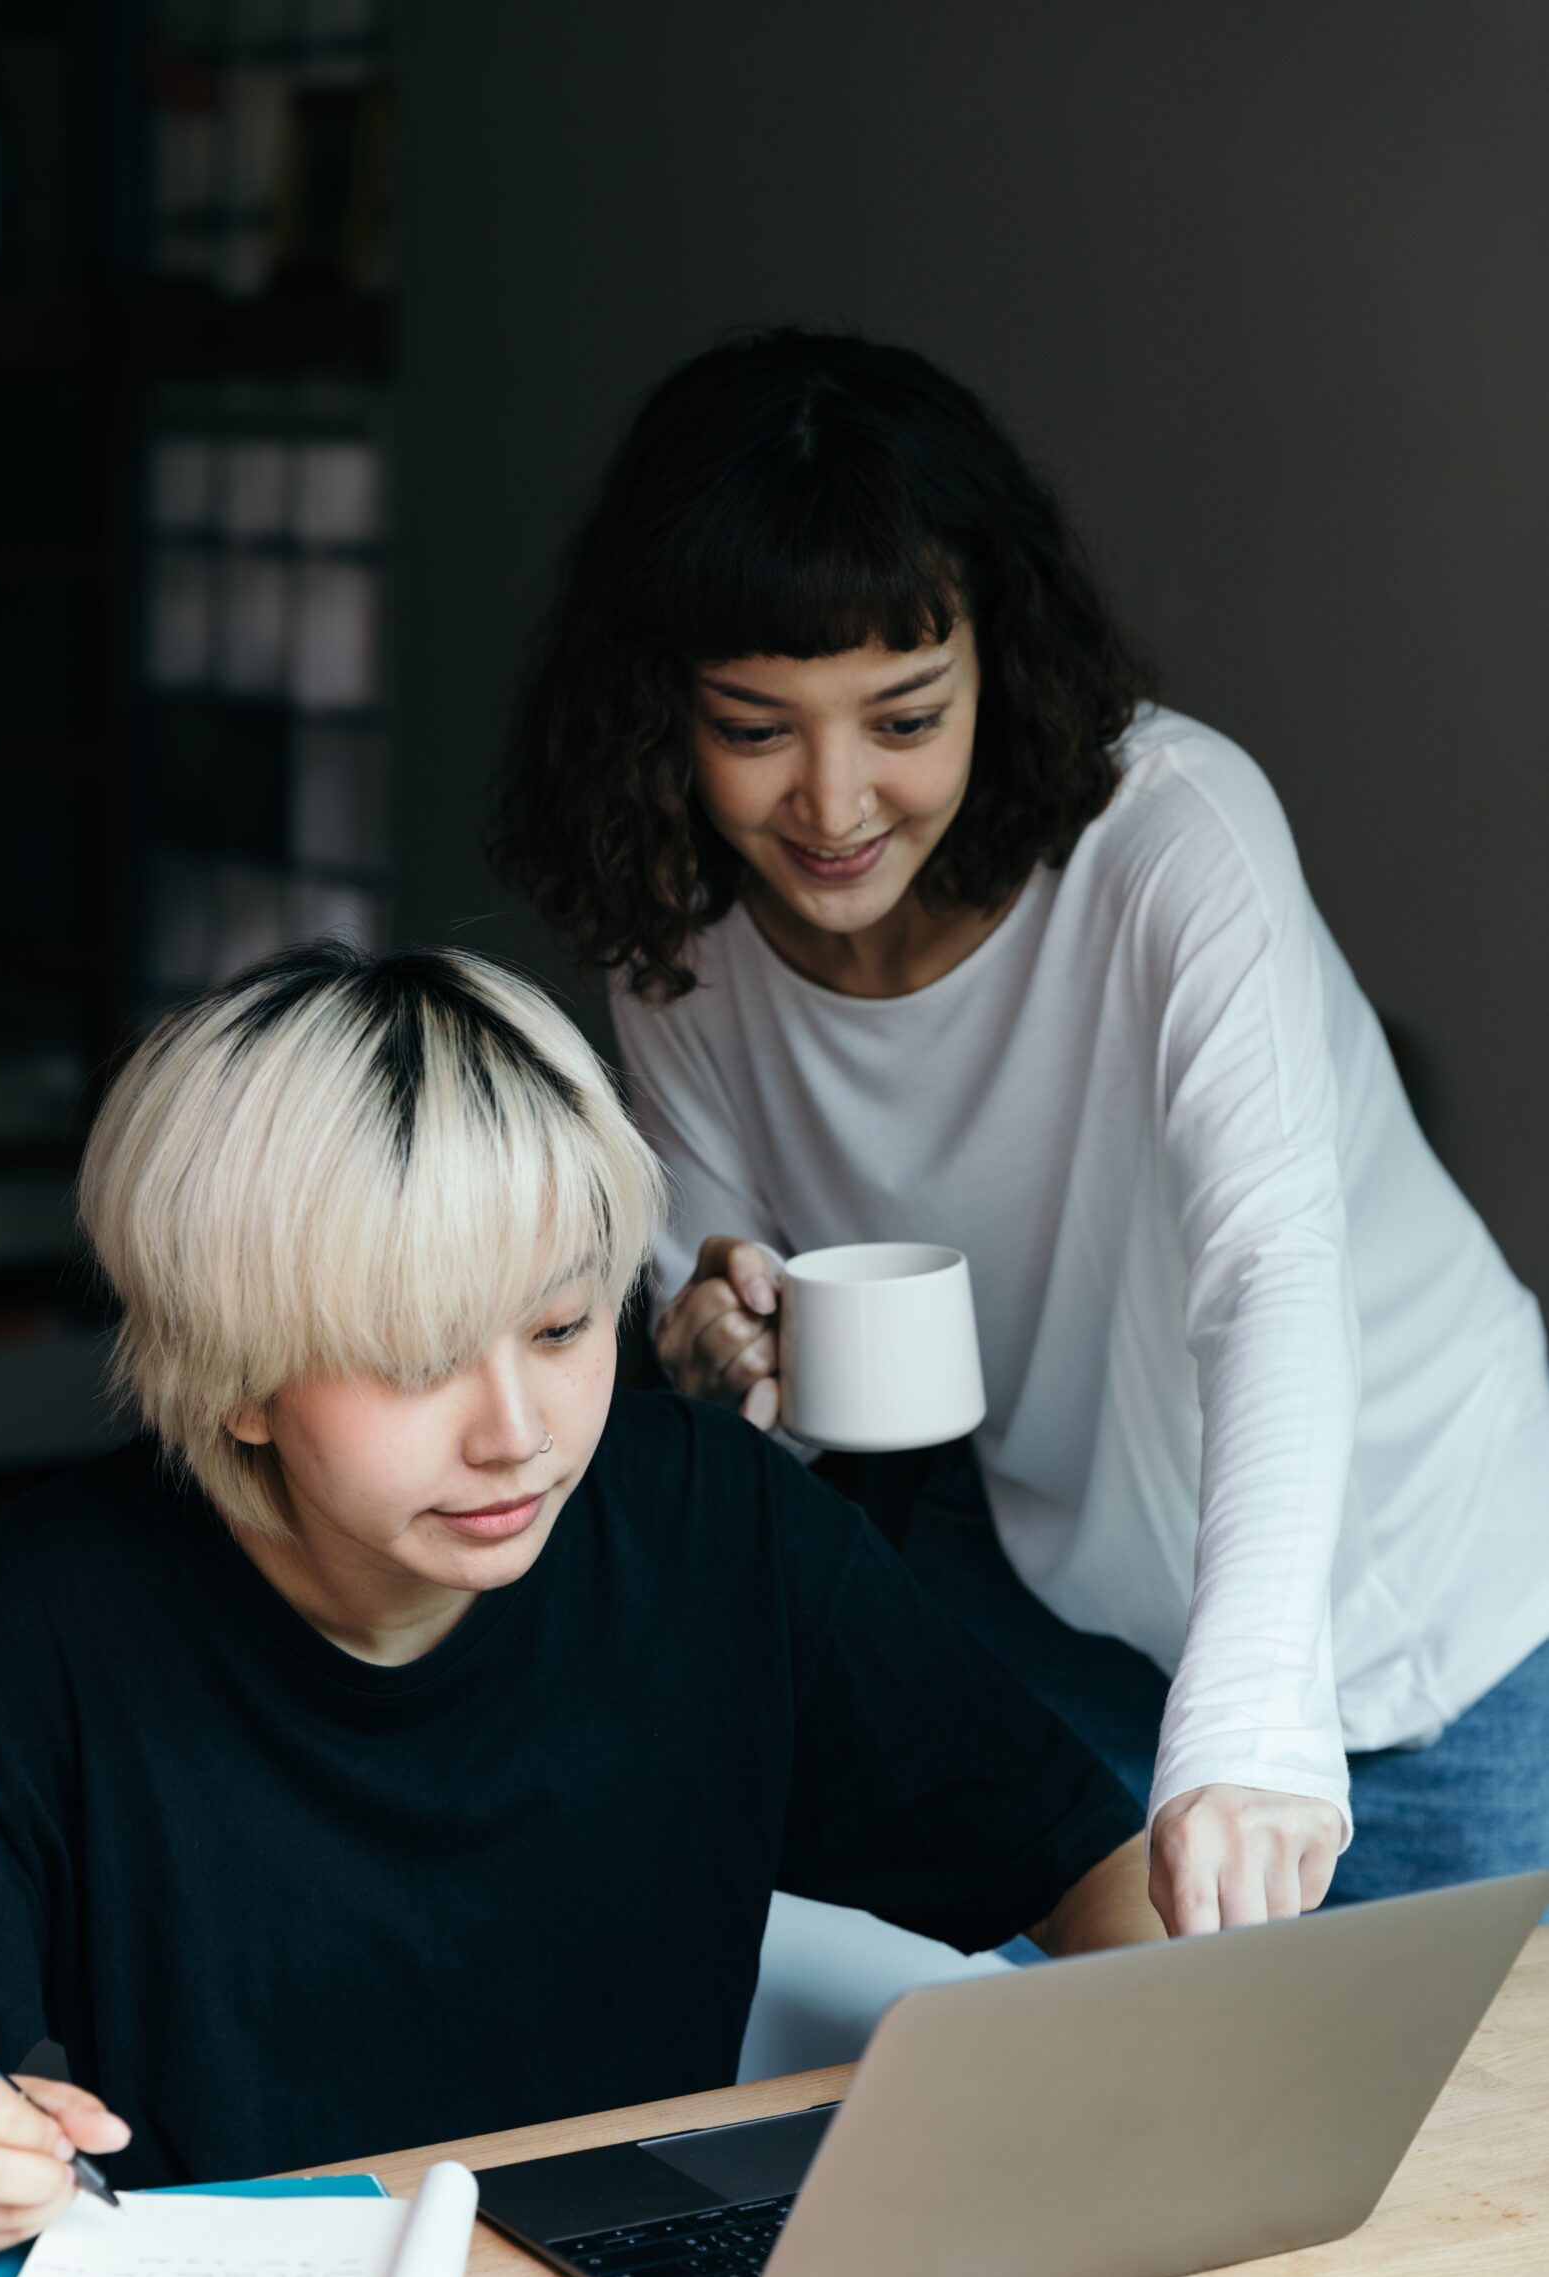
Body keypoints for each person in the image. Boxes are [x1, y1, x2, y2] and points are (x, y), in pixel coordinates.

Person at [0, 942, 1155, 2270]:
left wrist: (1187, 2039)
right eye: (418, 1363)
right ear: (232, 1374)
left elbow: (1080, 1860)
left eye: (562, 1328)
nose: (518, 1435)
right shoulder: (50, 1620)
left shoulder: (717, 1527)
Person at [492, 326, 1549, 1937]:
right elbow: (711, 1288)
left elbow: (1271, 1266)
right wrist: (712, 1350)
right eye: (756, 727)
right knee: (1130, 2134)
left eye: (904, 718)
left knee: (1472, 2162)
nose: (833, 805)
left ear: (1000, 659)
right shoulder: (680, 927)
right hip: (1069, 1591)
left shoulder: (1168, 844)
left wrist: (1255, 1715)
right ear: (660, 711)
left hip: (1429, 1606)